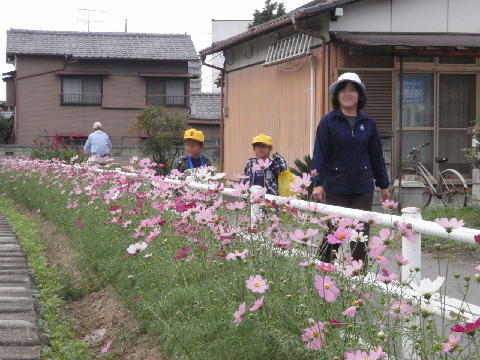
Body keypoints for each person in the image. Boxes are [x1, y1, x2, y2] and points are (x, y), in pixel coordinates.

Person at [311, 72, 390, 263]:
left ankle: (358, 281)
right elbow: (320, 154)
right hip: (336, 186)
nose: (348, 94)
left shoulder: (368, 123)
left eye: (352, 90)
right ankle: (322, 275)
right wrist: (317, 183)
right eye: (343, 90)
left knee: (360, 237)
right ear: (337, 96)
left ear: (359, 95)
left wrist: (384, 185)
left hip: (363, 187)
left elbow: (376, 156)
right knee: (334, 234)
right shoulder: (328, 122)